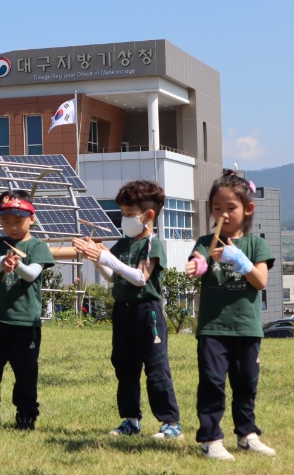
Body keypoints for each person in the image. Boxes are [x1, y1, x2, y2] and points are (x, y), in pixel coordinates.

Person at [72, 180, 183, 440]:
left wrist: (106, 257)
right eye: (122, 214)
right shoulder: (123, 244)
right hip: (123, 311)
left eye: (129, 214)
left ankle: (170, 423)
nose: (124, 219)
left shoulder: (152, 245)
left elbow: (140, 277)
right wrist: (98, 261)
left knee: (156, 367)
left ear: (148, 215)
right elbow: (113, 276)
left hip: (148, 313)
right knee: (125, 366)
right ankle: (130, 420)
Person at [186, 170, 276, 461]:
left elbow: (260, 281)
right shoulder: (205, 241)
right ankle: (210, 438)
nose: (222, 214)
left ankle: (247, 435)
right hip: (213, 327)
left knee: (246, 383)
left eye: (230, 208)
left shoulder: (255, 245)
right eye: (216, 208)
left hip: (247, 328)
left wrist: (240, 260)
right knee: (212, 382)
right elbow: (199, 263)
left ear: (247, 209)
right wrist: (197, 267)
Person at [0, 190, 55, 431]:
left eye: (18, 221)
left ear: (32, 218)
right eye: (5, 221)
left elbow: (32, 274)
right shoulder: (0, 244)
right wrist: (2, 262)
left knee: (26, 373)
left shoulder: (38, 246)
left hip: (25, 323)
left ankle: (26, 415)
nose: (11, 227)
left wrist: (17, 264)